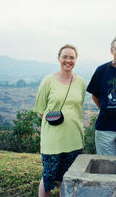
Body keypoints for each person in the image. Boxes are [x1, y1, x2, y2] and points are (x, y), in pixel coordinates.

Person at [33, 44, 85, 197]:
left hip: (74, 139)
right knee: (48, 178)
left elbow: (77, 108)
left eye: (72, 57)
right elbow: (41, 112)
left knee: (67, 179)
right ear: (58, 58)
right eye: (65, 57)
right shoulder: (48, 81)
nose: (68, 60)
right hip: (53, 140)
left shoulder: (80, 82)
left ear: (76, 60)